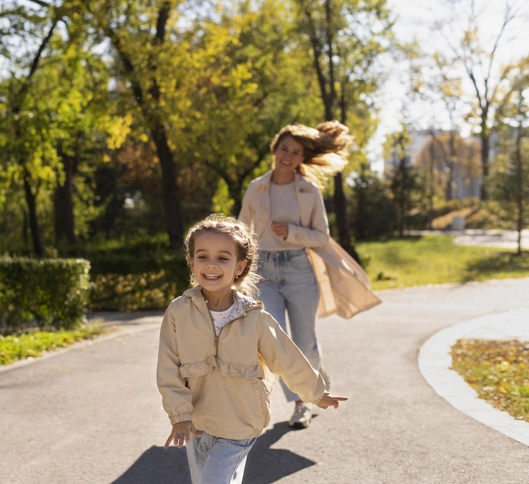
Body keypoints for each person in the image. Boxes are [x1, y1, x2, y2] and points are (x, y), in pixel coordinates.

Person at [157, 214, 347, 484]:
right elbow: (167, 366)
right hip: (197, 421)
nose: (211, 265)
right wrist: (179, 415)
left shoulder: (254, 317)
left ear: (239, 266)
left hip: (241, 421)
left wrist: (316, 394)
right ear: (191, 261)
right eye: (203, 256)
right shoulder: (178, 312)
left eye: (223, 258)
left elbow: (287, 357)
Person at [238, 121, 381, 430]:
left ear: (302, 158)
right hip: (265, 272)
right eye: (284, 149)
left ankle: (306, 402)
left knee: (304, 340)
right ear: (274, 149)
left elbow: (321, 236)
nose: (288, 156)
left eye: (295, 152)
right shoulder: (256, 188)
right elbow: (241, 230)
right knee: (277, 340)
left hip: (299, 271)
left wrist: (292, 232)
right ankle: (303, 396)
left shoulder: (308, 190)